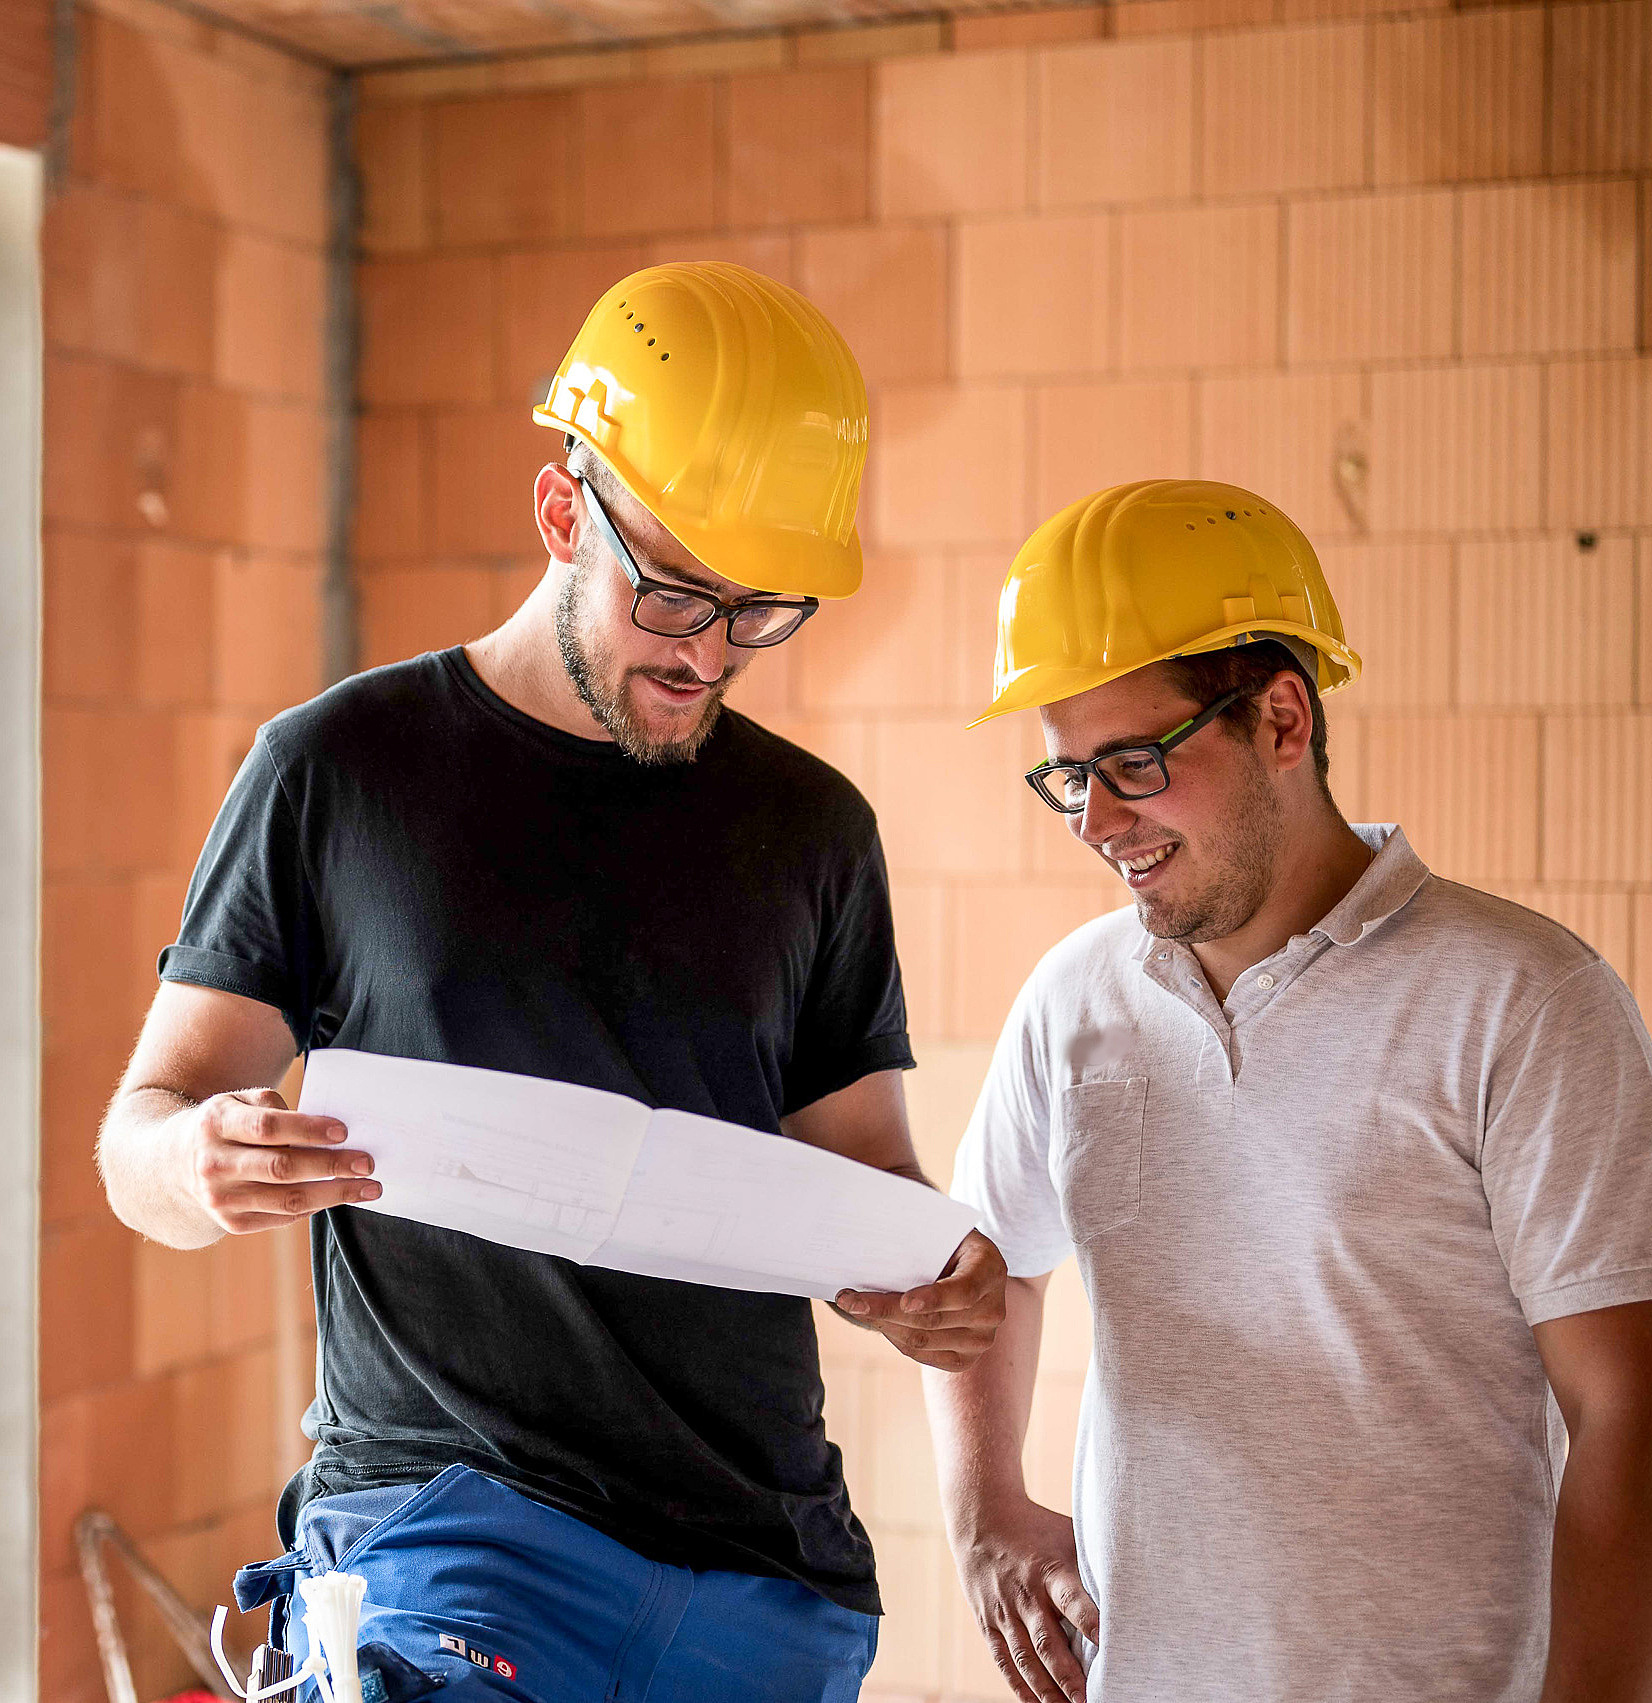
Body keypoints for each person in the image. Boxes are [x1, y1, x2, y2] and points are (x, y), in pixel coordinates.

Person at [97, 261, 1006, 1703]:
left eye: (758, 611)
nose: (708, 653)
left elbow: (862, 1184)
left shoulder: (814, 830)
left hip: (762, 1568)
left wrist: (923, 1287)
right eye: (674, 595)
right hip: (449, 1528)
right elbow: (140, 1128)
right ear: (559, 511)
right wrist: (194, 1158)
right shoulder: (336, 770)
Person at [907, 479, 1652, 1703]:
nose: (1096, 820)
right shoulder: (1073, 1001)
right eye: (1068, 776)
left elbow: (1638, 1416)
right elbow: (985, 1261)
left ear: (1281, 716)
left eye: (1132, 760)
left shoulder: (1523, 999)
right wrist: (984, 1506)